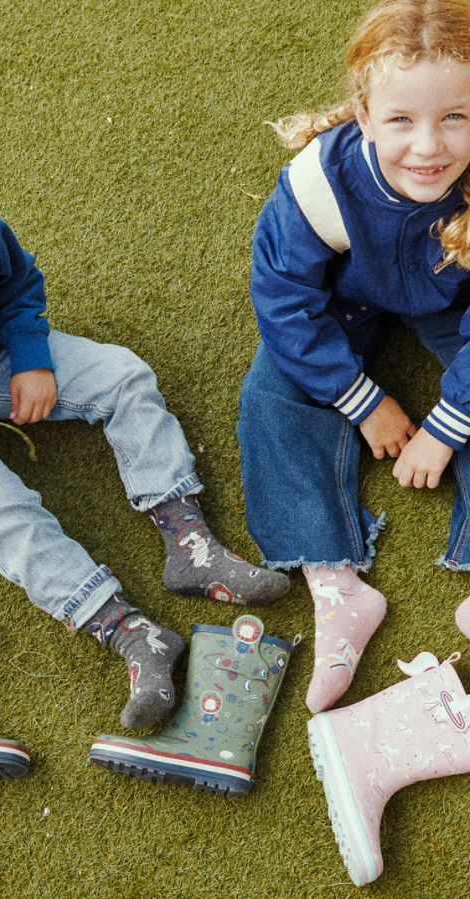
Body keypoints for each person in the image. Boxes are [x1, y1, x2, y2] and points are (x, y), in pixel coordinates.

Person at [0, 83, 290, 731]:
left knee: (123, 376)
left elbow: (19, 287)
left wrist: (31, 357)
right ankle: (130, 632)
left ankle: (190, 544)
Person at [238, 0, 470, 714]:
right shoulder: (321, 182)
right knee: (272, 393)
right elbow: (283, 299)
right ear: (363, 116)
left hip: (458, 299)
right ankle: (337, 589)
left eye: (456, 117)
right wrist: (363, 401)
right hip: (352, 297)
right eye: (400, 120)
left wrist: (447, 424)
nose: (428, 146)